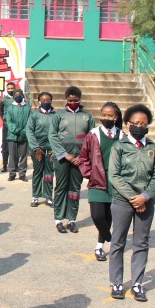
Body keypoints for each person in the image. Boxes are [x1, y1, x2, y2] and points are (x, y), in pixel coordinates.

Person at [108, 104, 155, 301]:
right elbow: (114, 175)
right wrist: (134, 198)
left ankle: (137, 283)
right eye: (136, 123)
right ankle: (116, 282)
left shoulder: (152, 148)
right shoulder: (119, 147)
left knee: (141, 242)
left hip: (146, 202)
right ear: (127, 123)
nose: (140, 126)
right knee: (118, 242)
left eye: (144, 123)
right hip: (123, 201)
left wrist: (146, 196)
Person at [78, 102, 123, 261]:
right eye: (103, 115)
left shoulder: (122, 136)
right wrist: (89, 174)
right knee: (97, 215)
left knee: (108, 215)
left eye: (109, 115)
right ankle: (110, 238)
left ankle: (99, 247)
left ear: (116, 117)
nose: (106, 118)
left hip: (116, 181)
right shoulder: (93, 134)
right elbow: (83, 157)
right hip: (97, 179)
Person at [49, 86, 95, 234]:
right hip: (62, 158)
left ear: (80, 100)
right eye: (70, 100)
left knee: (75, 189)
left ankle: (72, 219)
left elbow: (91, 138)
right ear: (66, 99)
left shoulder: (87, 117)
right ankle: (59, 219)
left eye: (75, 100)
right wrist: (65, 155)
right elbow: (53, 136)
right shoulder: (59, 115)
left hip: (79, 160)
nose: (73, 102)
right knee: (61, 187)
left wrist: (82, 157)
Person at [26, 92, 56, 207]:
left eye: (47, 101)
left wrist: (55, 148)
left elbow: (59, 132)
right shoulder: (34, 115)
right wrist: (36, 148)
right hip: (37, 149)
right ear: (39, 102)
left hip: (51, 149)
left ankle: (48, 196)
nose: (45, 103)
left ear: (51, 101)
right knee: (38, 172)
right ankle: (35, 196)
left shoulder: (56, 115)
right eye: (43, 101)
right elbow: (29, 131)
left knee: (49, 173)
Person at [5, 88, 30, 182]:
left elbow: (30, 121)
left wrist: (23, 132)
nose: (18, 96)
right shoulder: (10, 108)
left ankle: (22, 174)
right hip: (12, 135)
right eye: (16, 95)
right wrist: (17, 131)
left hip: (24, 136)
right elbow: (9, 121)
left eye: (19, 95)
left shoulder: (27, 107)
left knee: (23, 155)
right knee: (12, 155)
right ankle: (12, 173)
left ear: (22, 96)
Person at [0, 81, 16, 172]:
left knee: (15, 146)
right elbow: (1, 112)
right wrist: (5, 120)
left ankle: (15, 165)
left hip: (17, 126)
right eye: (8, 89)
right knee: (5, 145)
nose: (10, 90)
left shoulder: (20, 99)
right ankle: (4, 164)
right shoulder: (4, 100)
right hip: (6, 126)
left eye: (12, 88)